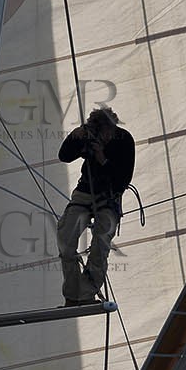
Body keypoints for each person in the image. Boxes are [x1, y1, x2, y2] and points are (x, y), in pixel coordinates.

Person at [56, 106, 135, 305]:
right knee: (66, 238)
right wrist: (75, 136)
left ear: (112, 129)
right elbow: (64, 156)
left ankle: (86, 293)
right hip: (85, 192)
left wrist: (102, 158)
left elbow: (122, 181)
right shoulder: (88, 137)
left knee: (101, 244)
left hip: (109, 196)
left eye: (108, 133)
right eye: (101, 134)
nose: (105, 138)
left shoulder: (124, 140)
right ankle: (73, 294)